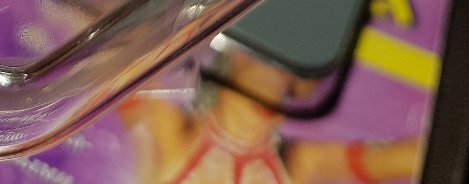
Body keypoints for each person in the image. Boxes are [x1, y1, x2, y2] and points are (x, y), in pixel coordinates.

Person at [118, 50, 421, 184]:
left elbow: (115, 63)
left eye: (286, 87)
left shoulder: (173, 151)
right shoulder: (298, 164)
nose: (277, 85)